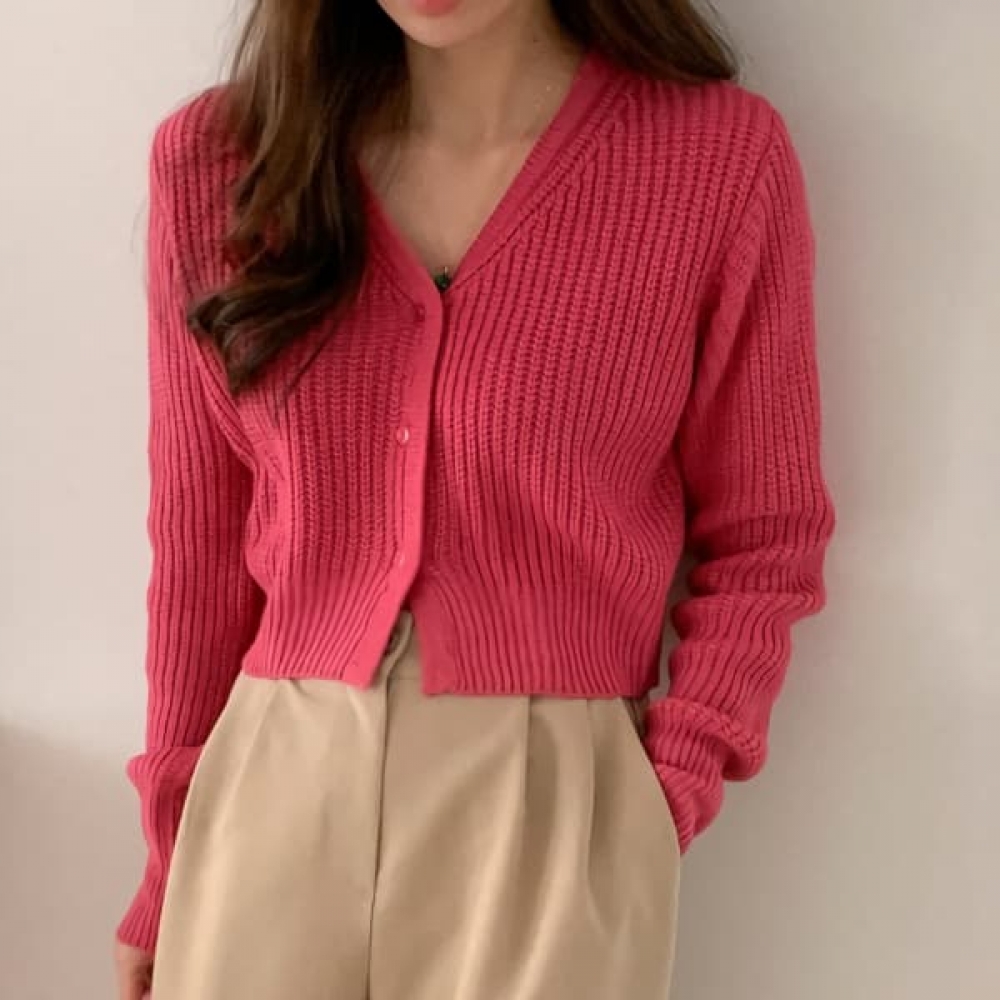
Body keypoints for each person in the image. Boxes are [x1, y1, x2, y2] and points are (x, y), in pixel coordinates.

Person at [113, 0, 836, 997]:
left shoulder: (713, 161)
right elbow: (197, 557)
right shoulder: (220, 161)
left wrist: (653, 800)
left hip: (547, 809)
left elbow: (767, 537)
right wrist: (167, 866)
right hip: (268, 798)